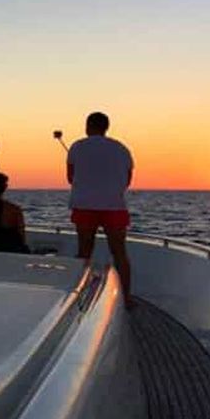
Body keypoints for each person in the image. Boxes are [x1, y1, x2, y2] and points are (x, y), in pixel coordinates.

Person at [67, 112, 134, 308]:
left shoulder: (77, 147)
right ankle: (126, 298)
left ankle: (79, 296)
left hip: (84, 205)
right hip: (114, 206)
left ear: (88, 126)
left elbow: (70, 177)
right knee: (119, 252)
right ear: (106, 127)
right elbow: (127, 179)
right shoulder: (121, 149)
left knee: (84, 252)